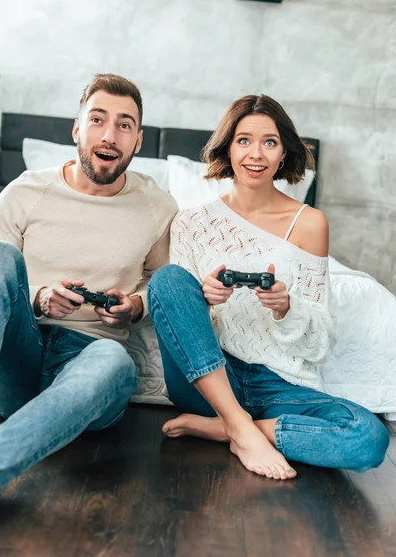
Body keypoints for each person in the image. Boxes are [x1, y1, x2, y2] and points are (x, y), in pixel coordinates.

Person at [147, 94, 389, 481]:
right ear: (227, 146)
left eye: (269, 142)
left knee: (367, 438)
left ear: (283, 154)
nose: (255, 154)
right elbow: (175, 311)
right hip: (210, 380)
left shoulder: (310, 224)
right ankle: (237, 424)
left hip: (278, 385)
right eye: (243, 140)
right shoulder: (191, 222)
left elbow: (320, 343)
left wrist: (285, 308)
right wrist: (206, 300)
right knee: (169, 279)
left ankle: (231, 428)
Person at [0, 73, 177, 489]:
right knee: (0, 255)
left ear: (138, 140)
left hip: (92, 360)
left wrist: (134, 306)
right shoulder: (26, 192)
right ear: (77, 128)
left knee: (116, 362)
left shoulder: (158, 208)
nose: (109, 135)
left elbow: (160, 282)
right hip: (19, 356)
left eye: (124, 125)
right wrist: (40, 299)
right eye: (97, 120)